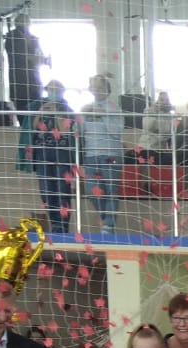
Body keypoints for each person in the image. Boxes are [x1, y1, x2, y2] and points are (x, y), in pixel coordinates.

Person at [80, 75, 124, 233]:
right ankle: (106, 219)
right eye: (94, 87)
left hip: (111, 155)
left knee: (111, 189)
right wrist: (81, 117)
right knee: (91, 190)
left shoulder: (115, 108)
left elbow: (117, 132)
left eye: (101, 88)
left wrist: (104, 114)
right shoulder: (86, 108)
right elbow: (78, 132)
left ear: (107, 90)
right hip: (91, 155)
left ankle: (108, 226)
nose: (97, 91)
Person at [30, 96, 78, 233]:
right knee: (46, 191)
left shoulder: (66, 109)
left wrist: (56, 113)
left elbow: (65, 131)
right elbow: (33, 128)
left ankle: (62, 226)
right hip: (42, 152)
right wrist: (40, 112)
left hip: (61, 152)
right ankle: (55, 224)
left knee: (62, 190)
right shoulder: (40, 106)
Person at [4, 13, 46, 113]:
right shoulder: (11, 37)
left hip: (35, 84)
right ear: (16, 23)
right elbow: (19, 57)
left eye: (27, 22)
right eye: (22, 22)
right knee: (23, 115)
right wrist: (34, 58)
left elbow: (40, 55)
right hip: (19, 85)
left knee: (36, 114)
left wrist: (41, 59)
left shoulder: (34, 38)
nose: (25, 24)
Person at [137, 91, 177, 165]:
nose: (164, 102)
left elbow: (167, 132)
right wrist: (155, 112)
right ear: (157, 100)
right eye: (161, 99)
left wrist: (174, 109)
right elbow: (148, 127)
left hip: (160, 148)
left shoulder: (169, 115)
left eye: (167, 100)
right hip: (145, 147)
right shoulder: (149, 110)